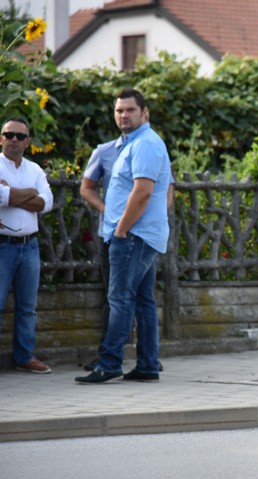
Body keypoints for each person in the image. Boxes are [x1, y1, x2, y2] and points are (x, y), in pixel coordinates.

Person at [75, 89, 172, 384]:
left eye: (130, 110)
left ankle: (109, 364)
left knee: (119, 299)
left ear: (145, 113)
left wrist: (121, 229)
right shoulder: (133, 144)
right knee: (143, 300)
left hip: (132, 235)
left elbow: (142, 192)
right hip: (136, 234)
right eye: (119, 111)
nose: (124, 115)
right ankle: (148, 365)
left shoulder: (145, 144)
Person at [0, 117, 54, 374]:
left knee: (27, 308)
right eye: (9, 134)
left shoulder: (35, 170)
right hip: (2, 246)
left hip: (30, 246)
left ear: (27, 142)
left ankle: (24, 357)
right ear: (1, 138)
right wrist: (30, 193)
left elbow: (47, 203)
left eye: (20, 136)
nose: (14, 139)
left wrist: (10, 194)